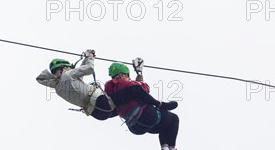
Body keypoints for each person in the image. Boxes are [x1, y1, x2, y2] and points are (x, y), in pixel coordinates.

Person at [36, 50, 175, 121]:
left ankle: (136, 117)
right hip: (102, 102)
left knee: (130, 98)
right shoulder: (68, 75)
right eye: (67, 67)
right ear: (62, 69)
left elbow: (80, 75)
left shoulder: (58, 88)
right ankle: (160, 104)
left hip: (98, 113)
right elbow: (89, 69)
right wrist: (90, 56)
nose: (69, 69)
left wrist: (85, 58)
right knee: (135, 90)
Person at [104, 60, 183, 150]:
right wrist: (140, 80)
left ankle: (165, 149)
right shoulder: (125, 83)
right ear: (122, 74)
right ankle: (172, 149)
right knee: (173, 118)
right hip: (146, 115)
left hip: (135, 127)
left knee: (165, 124)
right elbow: (143, 89)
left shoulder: (110, 91)